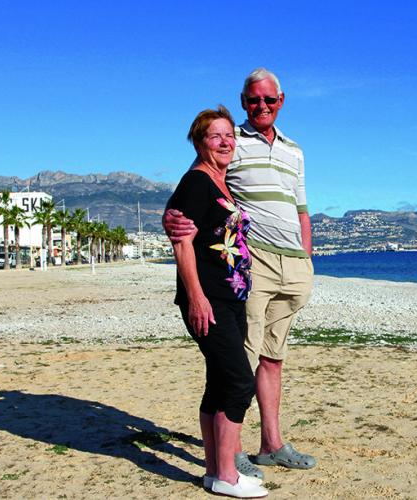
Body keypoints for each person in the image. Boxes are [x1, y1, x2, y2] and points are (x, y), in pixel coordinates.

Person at [165, 68, 316, 478]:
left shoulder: (295, 150)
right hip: (253, 265)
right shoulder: (232, 140)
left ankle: (272, 444)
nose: (261, 105)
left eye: (269, 99)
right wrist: (170, 218)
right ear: (243, 101)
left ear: (281, 101)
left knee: (273, 356)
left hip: (293, 265)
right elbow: (194, 188)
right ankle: (231, 454)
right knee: (239, 362)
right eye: (253, 99)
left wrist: (306, 258)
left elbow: (301, 208)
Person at [167, 105, 268, 498]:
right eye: (216, 136)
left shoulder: (221, 182)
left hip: (231, 298)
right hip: (209, 299)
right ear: (199, 143)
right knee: (240, 382)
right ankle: (228, 474)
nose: (225, 142)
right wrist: (196, 297)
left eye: (229, 135)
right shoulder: (197, 181)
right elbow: (182, 243)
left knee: (219, 381)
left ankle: (214, 472)